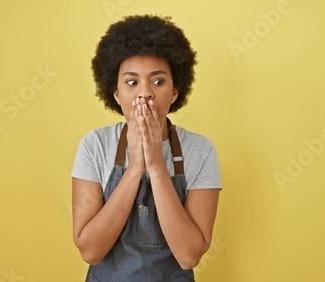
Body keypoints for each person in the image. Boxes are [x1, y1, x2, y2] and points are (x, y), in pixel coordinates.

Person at [71, 15, 222, 282]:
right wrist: (135, 168)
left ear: (174, 92)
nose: (145, 93)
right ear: (116, 94)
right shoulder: (94, 145)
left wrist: (155, 165)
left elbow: (189, 255)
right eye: (132, 82)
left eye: (158, 81)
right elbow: (90, 251)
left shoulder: (201, 150)